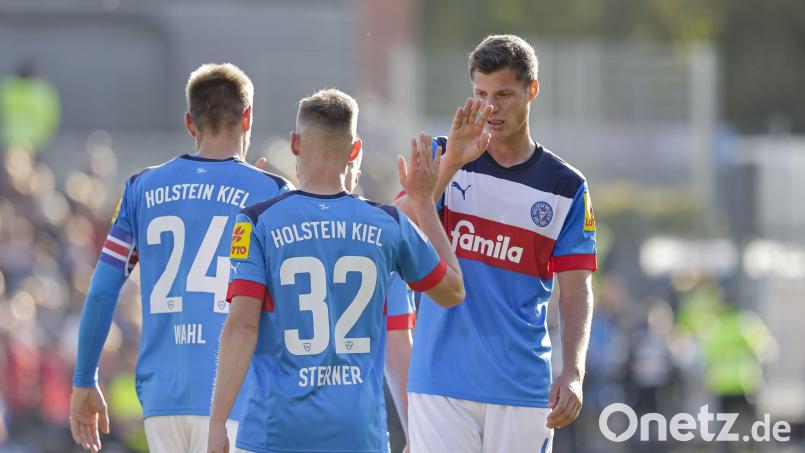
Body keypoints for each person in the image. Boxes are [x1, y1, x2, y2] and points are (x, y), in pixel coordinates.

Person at [207, 89, 464, 453]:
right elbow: (453, 290)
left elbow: (242, 326)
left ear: (295, 143)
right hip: (358, 436)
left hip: (274, 434)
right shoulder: (387, 224)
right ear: (355, 150)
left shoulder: (257, 221)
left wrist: (218, 423)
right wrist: (423, 201)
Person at [70, 63, 293, 453]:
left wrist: (84, 379)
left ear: (190, 123)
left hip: (163, 402)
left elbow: (103, 288)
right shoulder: (272, 192)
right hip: (238, 398)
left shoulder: (141, 188)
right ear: (247, 118)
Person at [397, 34, 598, 452]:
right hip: (440, 380)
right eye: (480, 94)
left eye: (504, 94)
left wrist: (573, 372)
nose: (490, 108)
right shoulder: (441, 154)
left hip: (523, 386)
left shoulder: (566, 186)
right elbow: (400, 229)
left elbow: (576, 289)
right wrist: (452, 161)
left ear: (532, 91)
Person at [345, 149, 416, 453]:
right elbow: (397, 344)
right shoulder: (383, 237)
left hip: (281, 429)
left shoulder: (271, 224)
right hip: (360, 430)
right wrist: (418, 430)